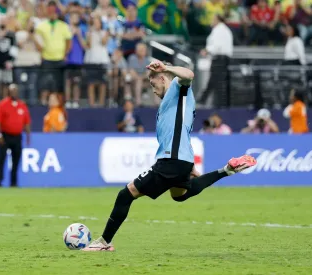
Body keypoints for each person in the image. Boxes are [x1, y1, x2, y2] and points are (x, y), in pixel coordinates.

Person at [83, 60, 257, 251]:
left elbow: (189, 74)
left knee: (126, 194)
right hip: (181, 158)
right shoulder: (170, 104)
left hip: (171, 160)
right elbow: (178, 132)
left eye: (153, 84)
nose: (153, 90)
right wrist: (188, 164)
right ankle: (226, 170)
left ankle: (104, 243)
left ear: (163, 78)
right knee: (180, 194)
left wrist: (166, 68)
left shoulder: (177, 87)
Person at [0, 84, 31, 187]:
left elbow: (26, 122)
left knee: (16, 161)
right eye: (12, 90)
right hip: (5, 135)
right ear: (8, 92)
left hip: (17, 136)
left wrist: (28, 136)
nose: (14, 92)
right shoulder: (2, 104)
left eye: (15, 90)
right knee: (1, 160)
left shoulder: (22, 105)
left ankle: (13, 183)